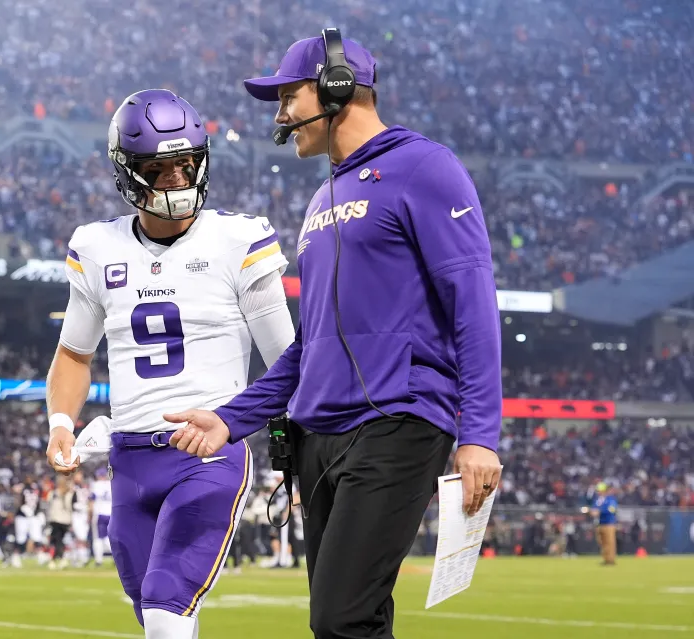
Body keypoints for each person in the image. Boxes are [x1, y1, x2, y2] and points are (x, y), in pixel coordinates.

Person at [164, 29, 503, 638]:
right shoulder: (322, 198)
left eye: (287, 96)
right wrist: (230, 419)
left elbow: (473, 303)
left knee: (343, 619)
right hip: (318, 435)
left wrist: (479, 434)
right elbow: (309, 346)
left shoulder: (427, 168)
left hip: (397, 421)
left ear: (336, 88)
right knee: (348, 623)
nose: (281, 114)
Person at [45, 88, 296, 638]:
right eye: (160, 169)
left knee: (165, 608)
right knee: (158, 620)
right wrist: (61, 423)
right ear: (128, 172)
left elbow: (288, 360)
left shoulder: (239, 239)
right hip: (129, 462)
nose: (179, 180)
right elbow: (72, 354)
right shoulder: (96, 247)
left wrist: (295, 452)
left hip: (208, 453)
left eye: (187, 165)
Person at [590, 482, 618, 565]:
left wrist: (600, 511)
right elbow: (594, 509)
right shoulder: (597, 500)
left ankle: (611, 559)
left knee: (610, 542)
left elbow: (612, 509)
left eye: (600, 490)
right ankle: (606, 559)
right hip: (600, 524)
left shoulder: (611, 499)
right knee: (602, 542)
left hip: (609, 523)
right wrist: (592, 512)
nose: (598, 492)